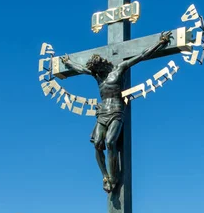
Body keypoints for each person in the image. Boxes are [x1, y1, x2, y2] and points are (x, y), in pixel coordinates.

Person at [61, 31, 171, 193]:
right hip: (102, 112)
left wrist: (160, 43)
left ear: (103, 64)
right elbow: (80, 68)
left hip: (116, 111)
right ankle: (105, 176)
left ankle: (114, 177)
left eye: (98, 69)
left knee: (111, 142)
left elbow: (141, 56)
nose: (97, 72)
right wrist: (68, 63)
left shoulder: (119, 69)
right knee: (98, 143)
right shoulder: (97, 75)